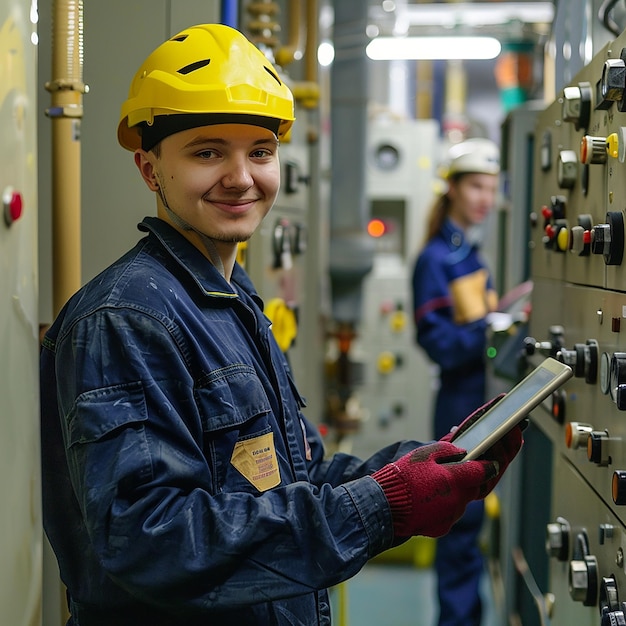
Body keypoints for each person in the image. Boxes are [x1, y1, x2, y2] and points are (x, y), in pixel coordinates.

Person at [40, 25, 522, 626]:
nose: (241, 177)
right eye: (207, 151)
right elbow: (150, 542)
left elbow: (291, 479)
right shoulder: (127, 319)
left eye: (260, 152)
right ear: (148, 167)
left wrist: (417, 467)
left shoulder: (231, 301)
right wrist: (382, 507)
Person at [411, 137, 502, 626]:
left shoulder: (471, 254)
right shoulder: (436, 259)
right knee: (459, 524)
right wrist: (492, 330)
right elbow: (442, 345)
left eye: (491, 188)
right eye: (475, 187)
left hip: (480, 397)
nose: (485, 198)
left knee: (470, 530)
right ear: (452, 189)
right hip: (458, 402)